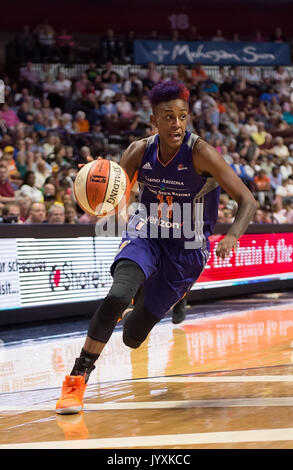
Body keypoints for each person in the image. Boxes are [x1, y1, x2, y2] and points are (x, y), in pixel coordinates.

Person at [56, 81, 257, 414]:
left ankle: (166, 299)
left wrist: (233, 236)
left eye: (181, 116)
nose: (176, 124)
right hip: (146, 231)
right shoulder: (138, 151)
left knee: (133, 337)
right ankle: (77, 379)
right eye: (168, 117)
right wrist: (94, 192)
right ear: (155, 120)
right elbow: (117, 193)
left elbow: (247, 200)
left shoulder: (201, 152)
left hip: (188, 247)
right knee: (119, 294)